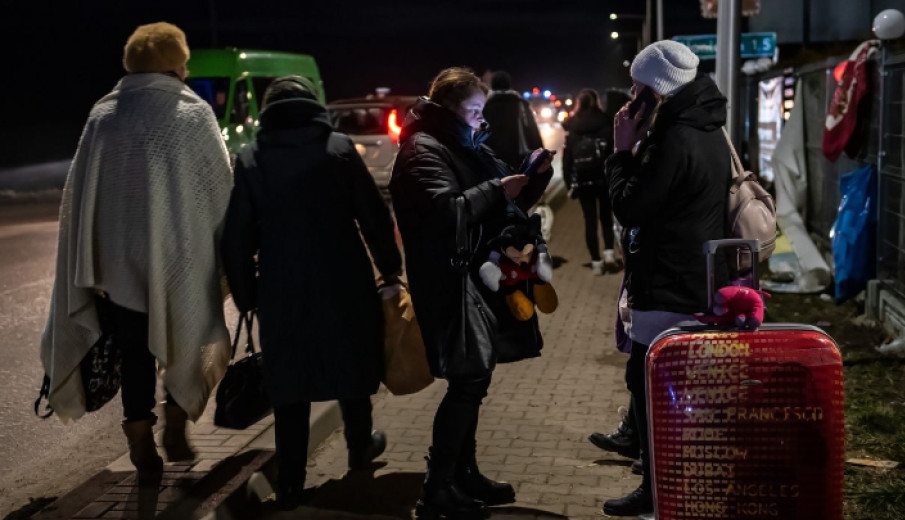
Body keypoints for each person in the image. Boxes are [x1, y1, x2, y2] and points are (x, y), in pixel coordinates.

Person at [40, 22, 232, 489]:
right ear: (175, 63)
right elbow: (220, 187)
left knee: (134, 350)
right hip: (180, 257)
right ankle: (175, 423)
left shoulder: (104, 115)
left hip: (118, 265)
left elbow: (83, 194)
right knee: (183, 329)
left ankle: (141, 438)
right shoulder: (193, 114)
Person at [221, 76, 403, 510]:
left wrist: (247, 295)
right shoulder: (338, 148)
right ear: (313, 106)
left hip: (282, 282)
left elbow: (236, 238)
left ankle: (290, 481)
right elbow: (372, 214)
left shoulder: (250, 158)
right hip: (344, 274)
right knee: (352, 359)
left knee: (289, 378)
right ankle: (360, 447)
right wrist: (391, 268)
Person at [389, 67, 553, 520]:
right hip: (449, 281)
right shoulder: (423, 149)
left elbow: (505, 202)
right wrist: (497, 188)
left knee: (474, 379)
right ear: (450, 108)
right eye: (474, 111)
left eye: (482, 111)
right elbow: (447, 213)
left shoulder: (461, 143)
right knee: (468, 380)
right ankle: (438, 486)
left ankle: (463, 474)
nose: (481, 120)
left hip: (474, 277)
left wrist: (532, 177)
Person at [601, 40, 730, 517]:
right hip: (694, 276)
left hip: (668, 280)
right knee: (662, 386)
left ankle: (657, 492)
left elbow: (631, 205)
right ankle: (667, 483)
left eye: (638, 87)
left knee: (650, 385)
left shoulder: (673, 137)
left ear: (658, 90)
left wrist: (620, 153)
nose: (631, 96)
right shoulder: (707, 126)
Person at [562, 88, 618, 275]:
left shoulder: (573, 126)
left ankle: (595, 262)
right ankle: (609, 254)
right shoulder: (605, 121)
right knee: (606, 218)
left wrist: (569, 183)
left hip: (583, 179)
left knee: (590, 220)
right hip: (603, 177)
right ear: (596, 102)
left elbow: (567, 158)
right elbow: (612, 151)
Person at [482, 70, 544, 170]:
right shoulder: (521, 104)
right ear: (509, 84)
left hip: (495, 159)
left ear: (492, 85)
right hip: (519, 157)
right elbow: (532, 131)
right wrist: (540, 154)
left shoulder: (486, 106)